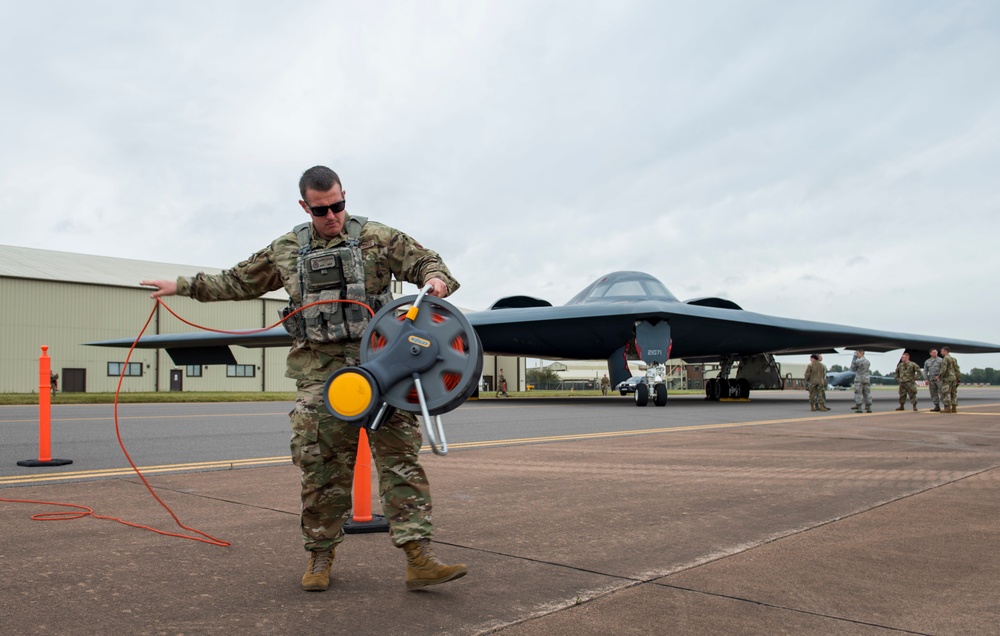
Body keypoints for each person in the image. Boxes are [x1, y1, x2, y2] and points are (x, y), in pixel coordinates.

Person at [141, 166, 467, 592]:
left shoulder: (378, 237)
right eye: (321, 209)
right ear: (304, 206)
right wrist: (182, 284)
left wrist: (434, 278)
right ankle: (319, 558)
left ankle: (418, 558)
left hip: (384, 367)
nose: (331, 215)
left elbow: (425, 260)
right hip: (321, 374)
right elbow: (237, 281)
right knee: (320, 467)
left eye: (338, 205)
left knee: (400, 461)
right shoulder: (286, 249)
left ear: (344, 197)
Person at [939, 346, 961, 413]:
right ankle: (954, 408)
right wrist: (958, 378)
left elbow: (943, 369)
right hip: (954, 378)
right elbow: (957, 369)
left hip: (947, 379)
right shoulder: (953, 359)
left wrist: (939, 376)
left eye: (942, 351)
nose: (941, 352)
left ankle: (948, 408)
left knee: (946, 393)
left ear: (945, 351)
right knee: (953, 393)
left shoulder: (945, 359)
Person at [851, 349, 872, 413]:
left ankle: (859, 408)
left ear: (861, 353)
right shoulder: (868, 361)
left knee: (858, 393)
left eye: (857, 353)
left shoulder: (858, 361)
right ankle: (869, 408)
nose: (857, 355)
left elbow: (853, 369)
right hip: (866, 379)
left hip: (859, 379)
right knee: (867, 393)